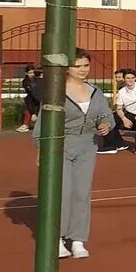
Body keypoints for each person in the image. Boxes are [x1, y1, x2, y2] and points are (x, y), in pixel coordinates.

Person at [30, 50, 114, 258]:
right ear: (67, 68)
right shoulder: (56, 92)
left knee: (82, 193)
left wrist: (106, 124)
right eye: (79, 66)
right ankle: (57, 238)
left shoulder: (95, 91)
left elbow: (106, 114)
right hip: (61, 147)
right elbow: (44, 121)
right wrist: (41, 149)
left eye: (86, 65)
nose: (83, 70)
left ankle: (78, 240)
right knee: (63, 192)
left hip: (87, 146)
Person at [17, 65, 38, 132]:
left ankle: (32, 117)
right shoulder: (25, 81)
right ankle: (26, 124)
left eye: (33, 72)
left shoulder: (38, 79)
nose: (32, 74)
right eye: (30, 73)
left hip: (40, 97)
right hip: (32, 98)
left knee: (28, 100)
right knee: (28, 100)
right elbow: (30, 91)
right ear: (26, 73)